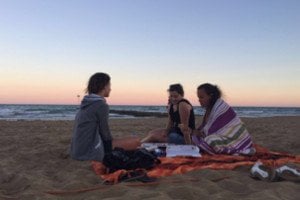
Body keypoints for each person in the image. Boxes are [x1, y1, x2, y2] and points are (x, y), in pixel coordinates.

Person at [70, 72, 140, 162]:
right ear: (104, 86)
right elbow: (105, 133)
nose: (110, 89)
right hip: (89, 151)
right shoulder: (101, 105)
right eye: (109, 85)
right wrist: (115, 145)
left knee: (126, 142)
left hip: (76, 151)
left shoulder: (86, 102)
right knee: (136, 142)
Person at [190, 83, 255, 155]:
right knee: (196, 137)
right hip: (221, 136)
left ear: (210, 96)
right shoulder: (209, 108)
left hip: (235, 139)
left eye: (201, 97)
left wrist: (200, 133)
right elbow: (206, 127)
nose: (199, 100)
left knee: (209, 140)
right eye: (198, 98)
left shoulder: (220, 107)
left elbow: (213, 130)